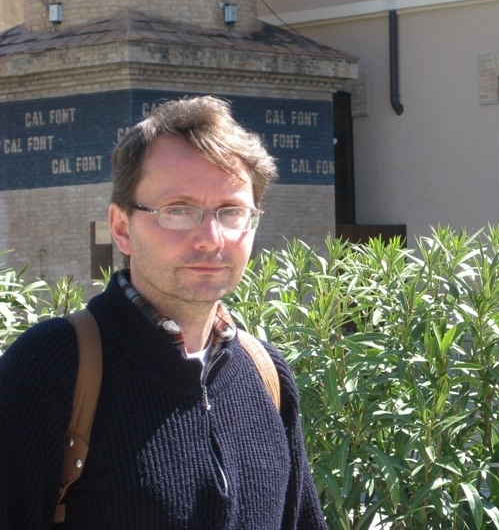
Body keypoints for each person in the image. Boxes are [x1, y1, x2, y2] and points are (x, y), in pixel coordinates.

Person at [0, 96, 327, 529]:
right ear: (122, 228)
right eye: (178, 210)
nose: (211, 238)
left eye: (232, 211)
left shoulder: (266, 374)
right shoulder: (49, 368)